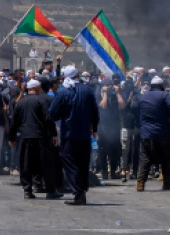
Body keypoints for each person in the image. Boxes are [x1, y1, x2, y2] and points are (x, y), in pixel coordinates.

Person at [49, 65, 99, 206]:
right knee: (83, 163)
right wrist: (94, 128)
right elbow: (95, 112)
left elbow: (52, 113)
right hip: (84, 134)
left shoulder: (63, 92)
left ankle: (78, 191)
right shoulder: (88, 91)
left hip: (69, 134)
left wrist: (61, 116)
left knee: (68, 160)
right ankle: (82, 191)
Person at [9, 79, 61, 199]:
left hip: (25, 136)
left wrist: (11, 137)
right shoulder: (41, 101)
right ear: (37, 88)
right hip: (40, 136)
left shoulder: (20, 103)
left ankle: (27, 190)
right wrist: (53, 134)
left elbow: (14, 122)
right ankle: (50, 191)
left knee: (26, 164)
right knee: (46, 163)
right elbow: (48, 119)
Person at [136, 76, 170, 191]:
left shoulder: (143, 97)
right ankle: (167, 182)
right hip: (162, 133)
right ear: (161, 85)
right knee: (166, 158)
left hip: (146, 133)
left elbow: (136, 110)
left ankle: (140, 183)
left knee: (145, 157)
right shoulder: (164, 95)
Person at [96, 78, 123, 180]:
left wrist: (118, 93)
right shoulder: (98, 94)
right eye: (107, 85)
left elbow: (122, 105)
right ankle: (104, 172)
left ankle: (113, 171)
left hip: (114, 125)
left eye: (110, 85)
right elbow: (103, 105)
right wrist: (105, 93)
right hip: (103, 126)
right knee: (103, 150)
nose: (109, 87)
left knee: (115, 150)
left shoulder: (114, 94)